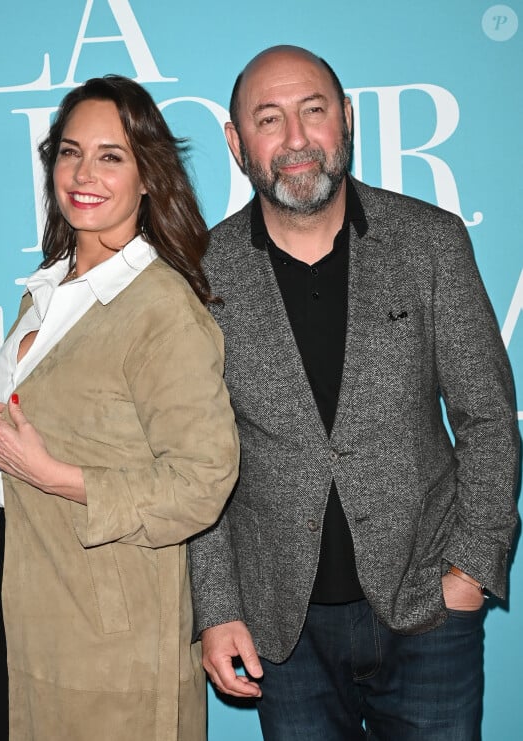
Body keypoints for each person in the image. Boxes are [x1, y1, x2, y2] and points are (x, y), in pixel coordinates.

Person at [188, 45, 519, 740]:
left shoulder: (430, 243)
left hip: (430, 609)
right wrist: (218, 608)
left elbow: (487, 415)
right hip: (284, 631)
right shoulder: (201, 275)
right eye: (269, 119)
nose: (297, 139)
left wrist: (468, 575)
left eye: (313, 111)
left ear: (346, 118)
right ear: (235, 141)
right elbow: (199, 460)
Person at [0, 74, 239, 741]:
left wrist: (55, 475)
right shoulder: (43, 295)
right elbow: (6, 467)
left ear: (148, 176)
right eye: (70, 151)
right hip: (22, 619)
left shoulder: (162, 309)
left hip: (111, 646)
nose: (84, 172)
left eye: (111, 155)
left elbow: (203, 481)